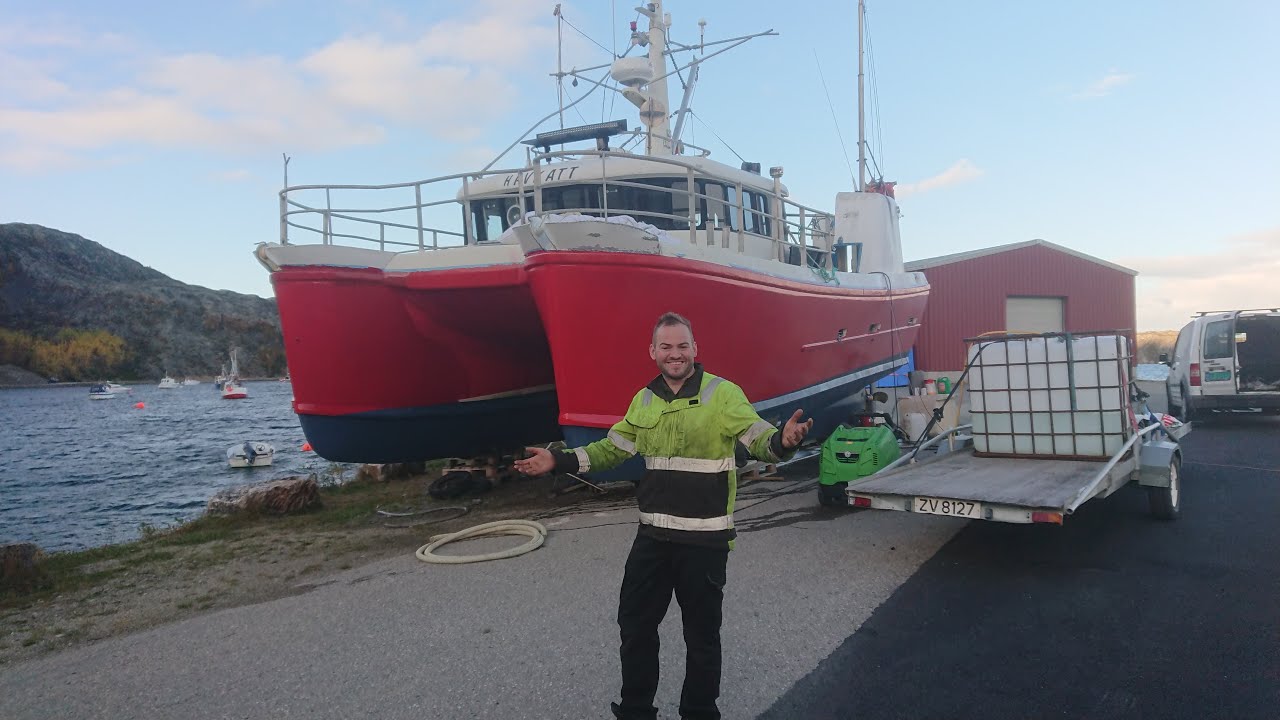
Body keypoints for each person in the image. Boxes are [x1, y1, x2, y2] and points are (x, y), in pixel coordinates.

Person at [516, 311, 812, 720]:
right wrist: (558, 459)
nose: (676, 354)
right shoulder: (644, 400)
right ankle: (636, 711)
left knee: (701, 637)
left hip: (704, 542)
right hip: (653, 539)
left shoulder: (722, 394)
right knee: (634, 626)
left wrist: (784, 441)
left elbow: (758, 437)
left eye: (683, 346)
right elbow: (611, 449)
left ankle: (699, 712)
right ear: (653, 352)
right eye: (667, 347)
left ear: (695, 349)